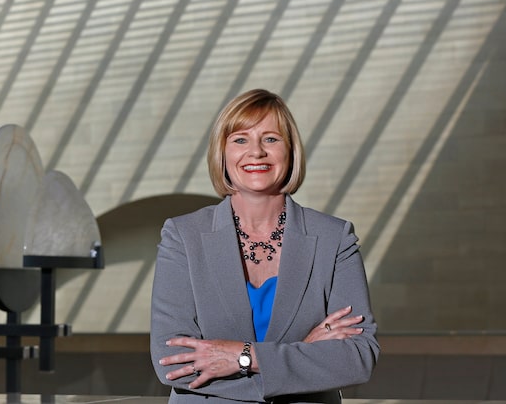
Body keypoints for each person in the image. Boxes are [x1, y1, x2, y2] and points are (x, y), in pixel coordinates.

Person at [150, 89, 379, 403]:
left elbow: (357, 357)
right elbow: (173, 364)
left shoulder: (334, 237)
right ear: (223, 153)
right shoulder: (182, 236)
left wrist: (244, 357)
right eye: (240, 140)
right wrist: (305, 357)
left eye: (271, 139)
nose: (256, 152)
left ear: (290, 151)